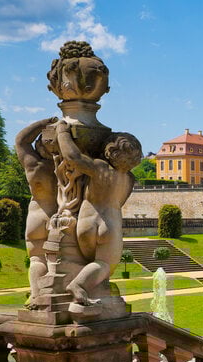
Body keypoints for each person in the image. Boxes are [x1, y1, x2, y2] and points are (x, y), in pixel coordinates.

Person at [56, 125, 142, 305]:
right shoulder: (129, 179)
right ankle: (78, 285)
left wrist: (62, 132)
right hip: (109, 225)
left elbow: (73, 157)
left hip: (85, 223)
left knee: (88, 260)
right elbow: (120, 203)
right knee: (104, 264)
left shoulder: (100, 167)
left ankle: (83, 283)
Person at [14, 117, 59, 300]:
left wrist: (43, 123)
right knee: (54, 261)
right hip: (56, 216)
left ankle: (35, 297)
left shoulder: (33, 166)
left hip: (35, 216)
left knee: (36, 259)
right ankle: (53, 298)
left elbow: (21, 140)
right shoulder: (64, 168)